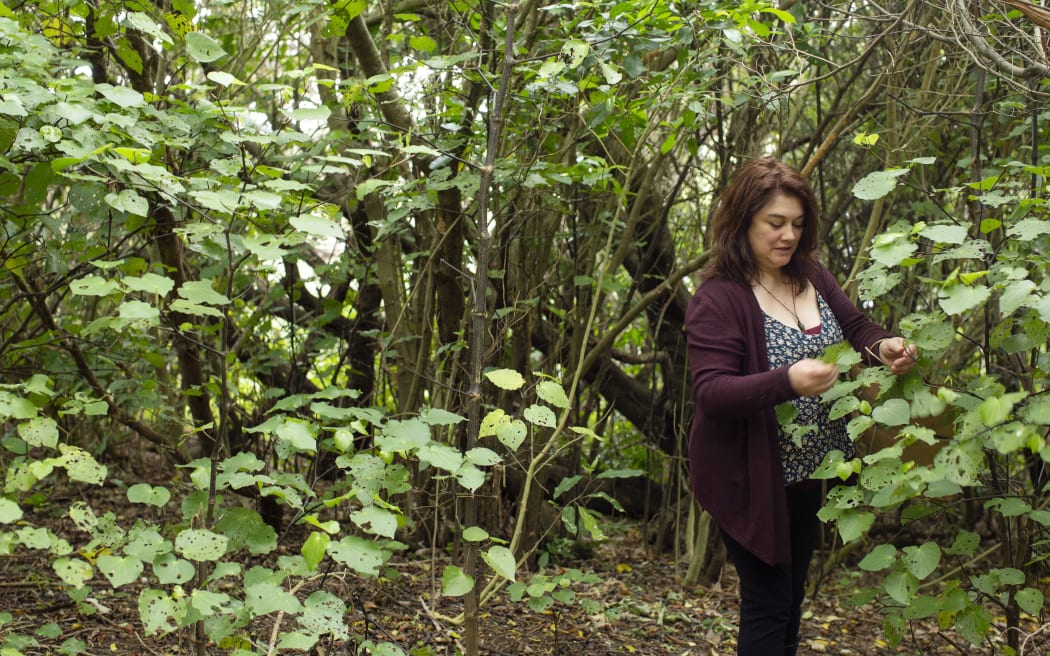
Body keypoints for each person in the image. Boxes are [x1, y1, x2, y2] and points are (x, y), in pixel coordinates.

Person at [685, 157, 916, 656]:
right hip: (750, 478)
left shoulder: (811, 274)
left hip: (810, 473)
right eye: (774, 223)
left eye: (797, 223)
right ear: (742, 220)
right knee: (768, 605)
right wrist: (787, 381)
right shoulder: (718, 298)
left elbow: (856, 328)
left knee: (789, 602)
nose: (787, 235)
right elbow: (712, 392)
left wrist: (886, 346)